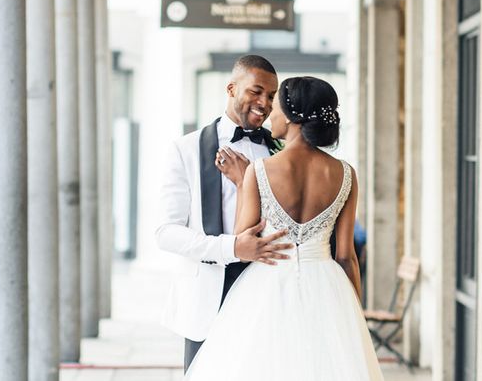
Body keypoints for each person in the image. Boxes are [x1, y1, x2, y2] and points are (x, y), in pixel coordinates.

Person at [185, 76, 384, 380]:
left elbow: (244, 241)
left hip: (267, 285)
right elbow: (346, 256)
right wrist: (353, 313)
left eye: (276, 106)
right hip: (329, 286)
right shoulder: (346, 174)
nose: (270, 114)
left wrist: (241, 182)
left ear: (293, 117)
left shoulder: (259, 171)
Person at [155, 55, 293, 372]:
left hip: (265, 292)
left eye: (271, 96)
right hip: (206, 298)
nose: (265, 103)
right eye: (256, 91)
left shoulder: (281, 152)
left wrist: (247, 183)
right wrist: (231, 248)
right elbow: (166, 232)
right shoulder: (185, 149)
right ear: (231, 88)